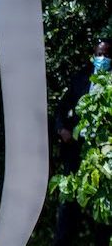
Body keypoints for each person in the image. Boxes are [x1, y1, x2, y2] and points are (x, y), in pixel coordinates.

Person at [53, 38, 112, 246]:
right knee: (69, 203)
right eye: (99, 54)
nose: (102, 59)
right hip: (78, 150)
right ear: (93, 55)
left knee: (103, 205)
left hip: (104, 154)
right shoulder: (81, 78)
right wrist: (62, 129)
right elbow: (62, 107)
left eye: (106, 55)